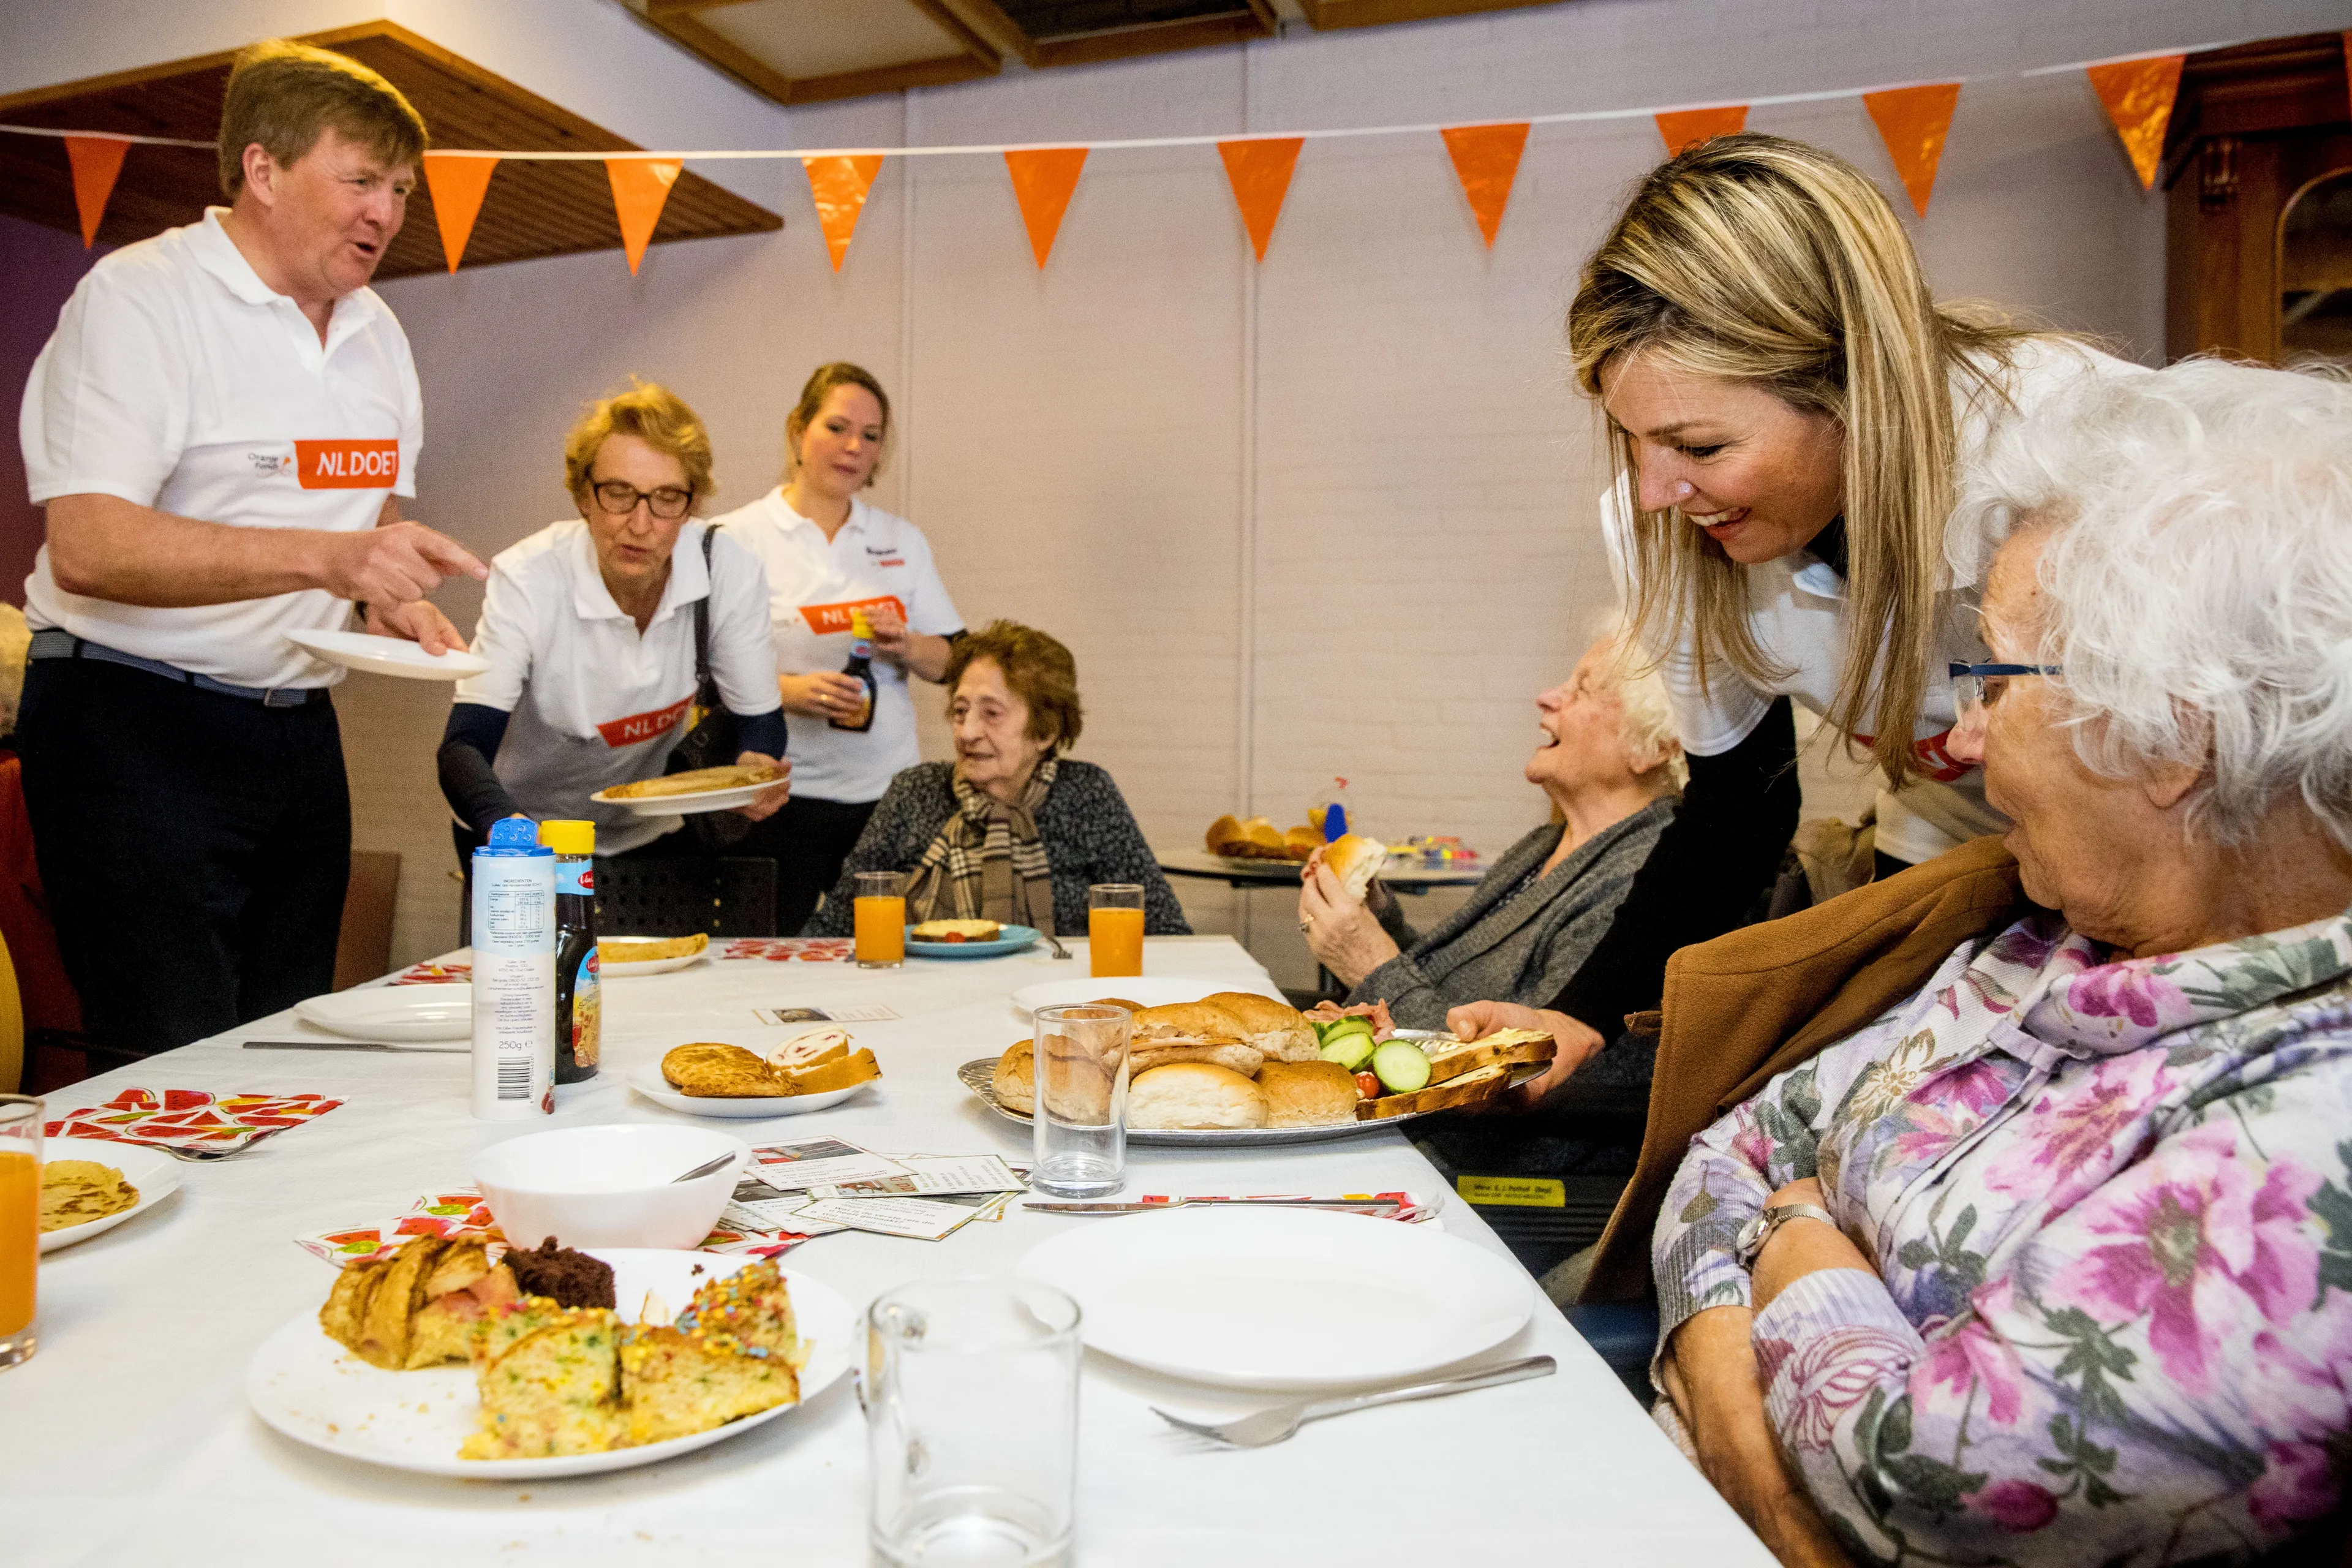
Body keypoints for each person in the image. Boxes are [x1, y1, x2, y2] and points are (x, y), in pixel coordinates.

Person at [1647, 360, 2352, 1567]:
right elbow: (1730, 1148)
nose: (1959, 742)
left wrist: (1800, 1242)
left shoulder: (2308, 1143)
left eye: (1994, 679)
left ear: (2175, 732)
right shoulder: (2044, 944)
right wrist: (1748, 1400)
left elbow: (1916, 1481)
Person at [1460, 132, 2144, 1104]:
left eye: (1697, 444)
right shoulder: (1662, 511)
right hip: (1957, 850)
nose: (1657, 492)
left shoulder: (2075, 444)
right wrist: (1585, 1013)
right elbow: (1740, 807)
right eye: (1634, 442)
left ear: (1856, 387)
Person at [14, 40, 487, 1057]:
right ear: (263, 170)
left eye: (401, 189)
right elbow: (90, 545)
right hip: (128, 723)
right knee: (169, 1064)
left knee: (286, 1049)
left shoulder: (380, 337)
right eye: (361, 179)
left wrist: (385, 596)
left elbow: (353, 539)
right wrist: (330, 565)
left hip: (297, 730)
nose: (387, 213)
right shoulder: (142, 299)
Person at [436, 382, 788, 860]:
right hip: (523, 824)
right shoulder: (529, 577)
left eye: (666, 498)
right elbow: (463, 748)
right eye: (618, 494)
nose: (640, 524)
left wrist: (755, 771)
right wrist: (507, 826)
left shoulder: (725, 566)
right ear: (584, 495)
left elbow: (761, 725)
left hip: (649, 829)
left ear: (693, 504)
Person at [1296, 624, 1679, 1031]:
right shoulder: (1544, 846)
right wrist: (1376, 914)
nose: (1546, 698)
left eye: (1582, 689)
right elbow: (1449, 984)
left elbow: (1528, 1066)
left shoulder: (1649, 882)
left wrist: (1368, 965)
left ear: (1652, 746)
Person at [714, 363, 967, 933]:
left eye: (871, 436)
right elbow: (693, 669)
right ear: (797, 430)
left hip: (886, 796)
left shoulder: (900, 540)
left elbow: (954, 660)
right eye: (836, 427)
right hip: (776, 796)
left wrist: (906, 643)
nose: (853, 446)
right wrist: (783, 693)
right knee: (769, 957)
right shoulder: (734, 537)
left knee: (892, 958)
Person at [807, 621, 1186, 938]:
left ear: (1046, 731)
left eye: (991, 714)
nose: (967, 732)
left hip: (1054, 1004)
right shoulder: (916, 791)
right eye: (960, 711)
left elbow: (1164, 929)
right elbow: (837, 924)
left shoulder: (1086, 793)